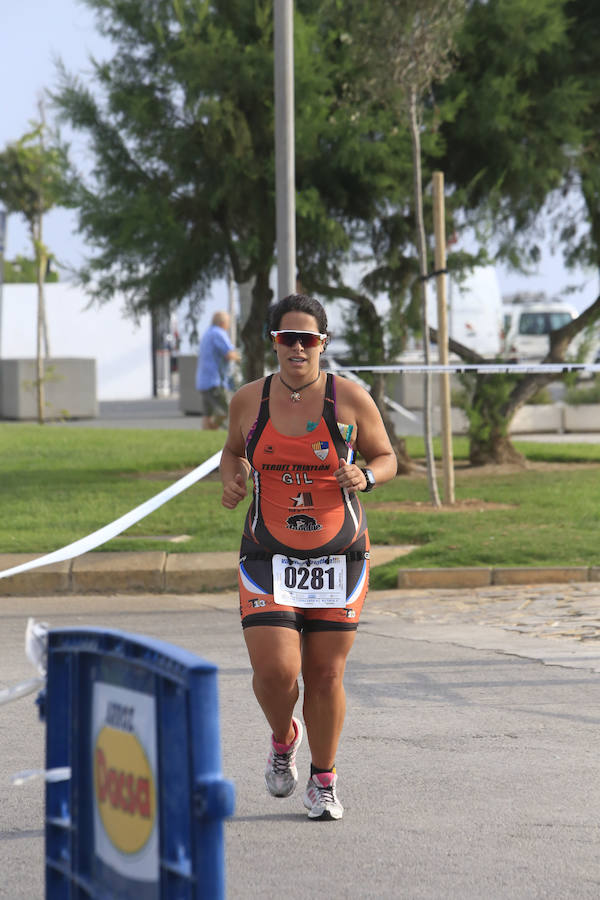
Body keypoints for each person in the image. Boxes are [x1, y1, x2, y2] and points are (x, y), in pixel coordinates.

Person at [220, 293, 397, 821]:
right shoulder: (248, 400)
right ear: (272, 343)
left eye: (308, 338)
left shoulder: (350, 400)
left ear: (324, 343)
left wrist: (365, 475)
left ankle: (323, 779)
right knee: (276, 671)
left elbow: (386, 457)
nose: (297, 348)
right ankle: (283, 737)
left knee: (325, 675)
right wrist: (232, 479)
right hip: (267, 551)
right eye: (286, 338)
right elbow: (232, 450)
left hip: (338, 553)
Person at [195, 311, 240, 429]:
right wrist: (241, 359)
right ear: (223, 323)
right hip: (214, 380)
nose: (229, 325)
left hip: (203, 380)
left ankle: (206, 437)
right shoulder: (219, 333)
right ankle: (213, 431)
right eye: (228, 322)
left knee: (207, 414)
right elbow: (229, 354)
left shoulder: (207, 333)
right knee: (224, 411)